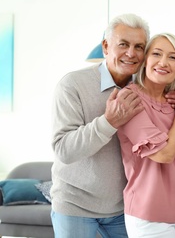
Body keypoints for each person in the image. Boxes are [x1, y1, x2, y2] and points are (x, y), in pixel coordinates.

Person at [51, 13, 150, 237]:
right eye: (123, 44)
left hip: (125, 207)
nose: (131, 53)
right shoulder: (72, 85)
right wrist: (109, 122)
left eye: (139, 46)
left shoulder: (146, 90)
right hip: (75, 206)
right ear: (106, 46)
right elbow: (64, 150)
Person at [116, 33, 175, 238]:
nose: (164, 62)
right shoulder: (129, 100)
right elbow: (164, 155)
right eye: (157, 54)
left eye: (173, 57)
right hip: (148, 215)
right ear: (145, 60)